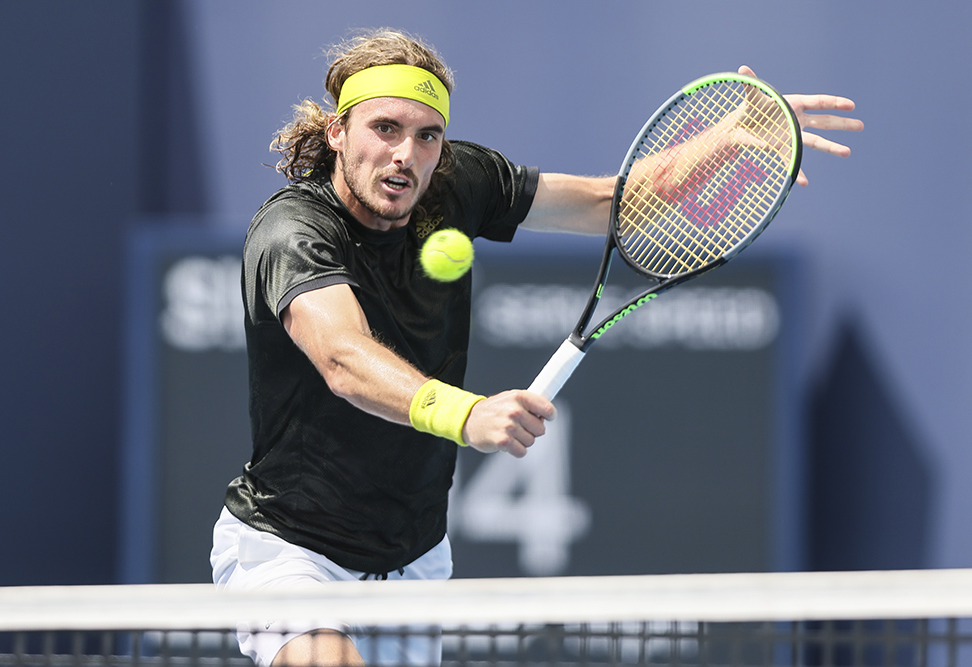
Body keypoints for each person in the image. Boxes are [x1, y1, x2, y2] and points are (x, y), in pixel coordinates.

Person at [210, 27, 863, 667]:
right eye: (385, 128)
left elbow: (611, 201)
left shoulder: (458, 183)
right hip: (293, 551)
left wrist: (722, 143)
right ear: (337, 132)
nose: (407, 153)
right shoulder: (292, 229)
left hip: (410, 560)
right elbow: (343, 359)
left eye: (426, 134)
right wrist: (466, 414)